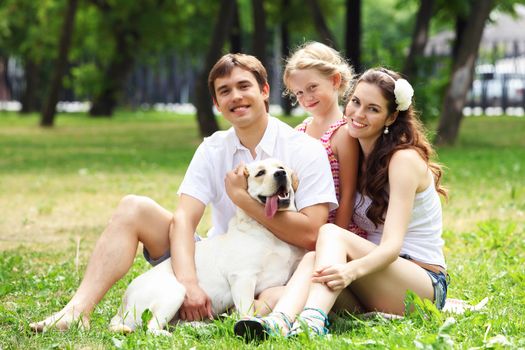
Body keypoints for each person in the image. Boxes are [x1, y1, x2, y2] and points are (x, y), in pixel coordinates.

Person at [30, 53, 338, 332]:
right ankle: (76, 311)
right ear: (217, 104)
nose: (236, 96)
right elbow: (183, 220)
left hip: (274, 268)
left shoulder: (303, 150)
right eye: (225, 91)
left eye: (244, 86)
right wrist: (189, 283)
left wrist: (241, 198)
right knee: (133, 207)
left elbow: (312, 234)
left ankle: (235, 313)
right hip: (215, 260)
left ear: (265, 91)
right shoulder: (213, 148)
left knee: (276, 299)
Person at [234, 67, 449, 340]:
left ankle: (312, 322)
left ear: (391, 116)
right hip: (375, 280)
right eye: (356, 102)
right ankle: (279, 322)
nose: (358, 114)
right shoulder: (356, 156)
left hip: (421, 283)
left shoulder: (403, 160)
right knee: (310, 262)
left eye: (372, 109)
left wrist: (349, 270)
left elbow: (392, 247)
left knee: (330, 233)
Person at [283, 42, 366, 237]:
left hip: (336, 230)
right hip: (304, 227)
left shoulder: (344, 133)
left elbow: (348, 196)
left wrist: (332, 239)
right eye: (299, 93)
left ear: (335, 80)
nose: (306, 98)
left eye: (312, 87)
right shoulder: (299, 131)